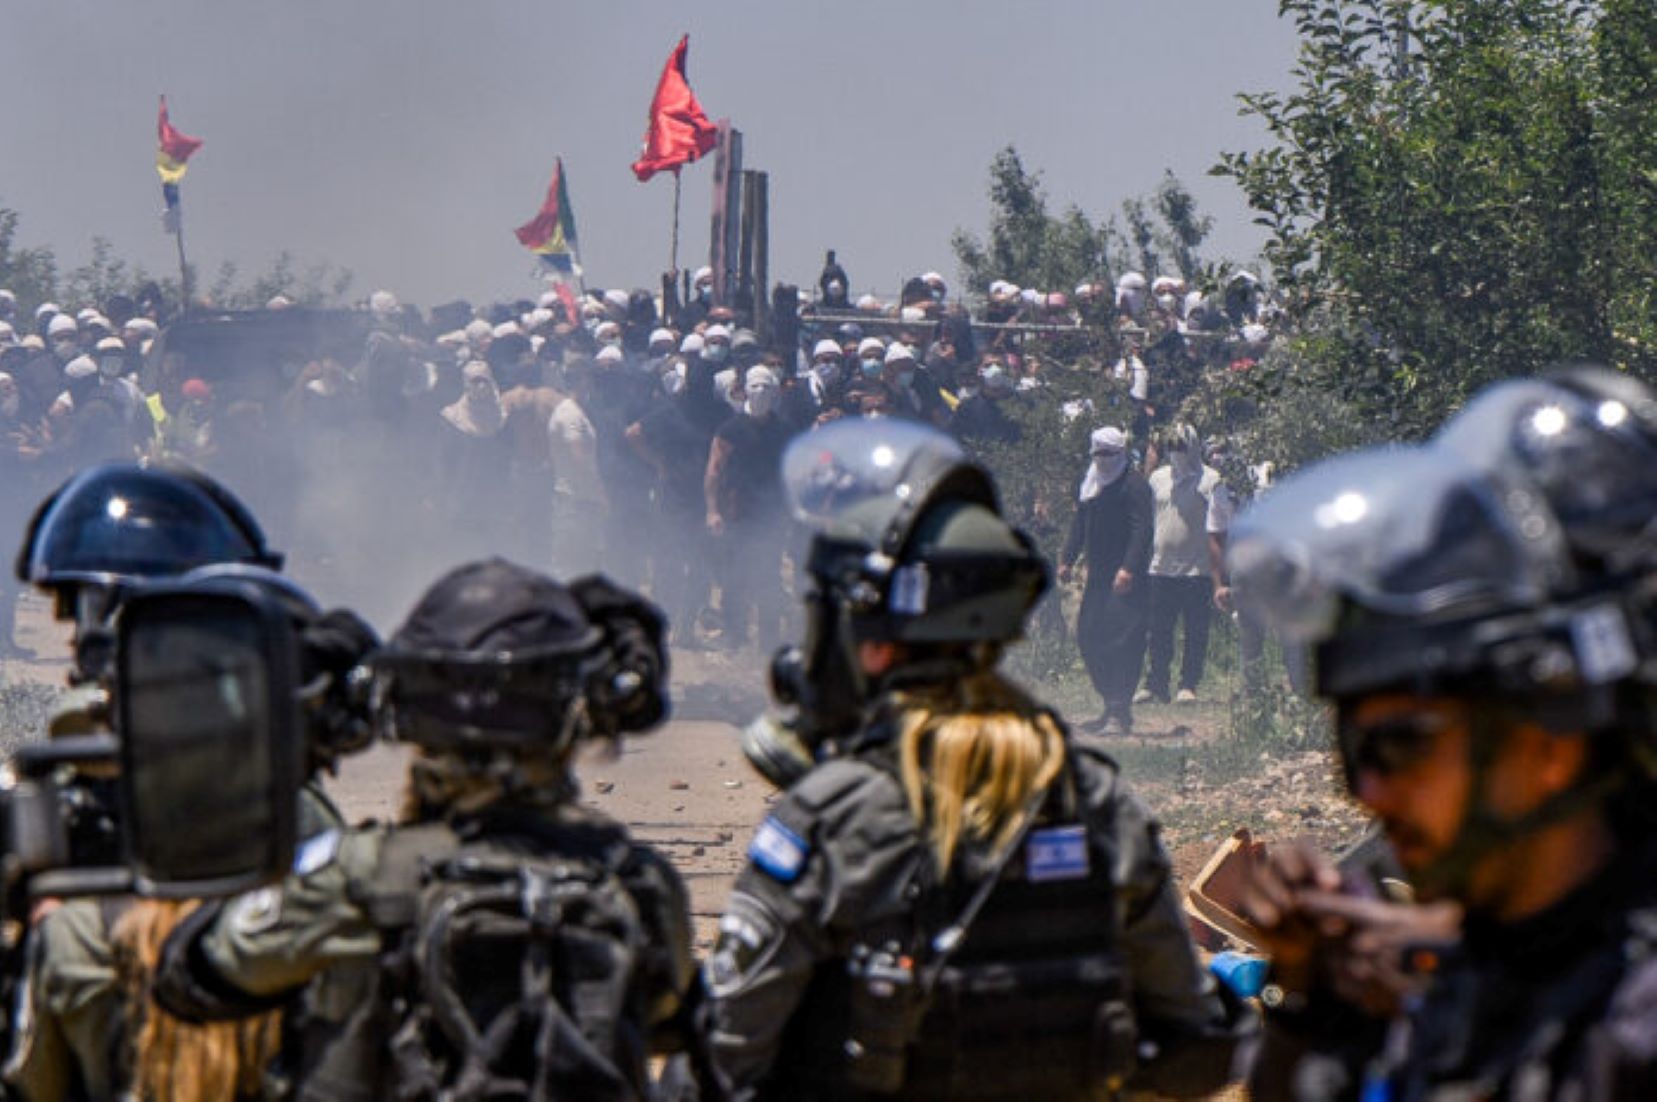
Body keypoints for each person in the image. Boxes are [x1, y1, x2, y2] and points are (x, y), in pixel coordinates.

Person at [711, 419, 1252, 1100]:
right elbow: (1191, 1042)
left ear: (874, 642)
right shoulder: (1093, 800)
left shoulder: (829, 812)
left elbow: (729, 1044)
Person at [1229, 367, 1657, 1100]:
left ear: (1549, 743)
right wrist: (1311, 1007)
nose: (1362, 789)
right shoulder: (1468, 971)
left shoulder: (1628, 1029)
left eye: (1403, 744)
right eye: (1353, 746)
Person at [156, 559, 694, 1101]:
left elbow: (194, 975)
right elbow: (669, 1015)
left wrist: (299, 739)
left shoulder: (358, 877)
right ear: (576, 710)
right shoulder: (636, 881)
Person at [1061, 426, 1154, 735]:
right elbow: (1080, 523)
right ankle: (1109, 703)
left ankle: (1119, 709)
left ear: (1120, 454)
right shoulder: (1090, 484)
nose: (1102, 461)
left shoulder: (1134, 485)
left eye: (1108, 455)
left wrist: (1128, 568)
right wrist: (1067, 558)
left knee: (1123, 640)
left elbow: (1142, 531)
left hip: (1126, 577)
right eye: (1097, 455)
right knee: (1089, 636)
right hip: (1098, 575)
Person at [1135, 422, 1229, 705]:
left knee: (1195, 631)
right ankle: (1156, 684)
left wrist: (1219, 576)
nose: (1176, 452)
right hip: (1160, 567)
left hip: (1196, 568)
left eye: (1181, 447)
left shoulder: (1211, 480)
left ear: (1193, 447)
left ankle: (1188, 684)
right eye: (1172, 447)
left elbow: (1219, 528)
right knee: (1159, 629)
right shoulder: (1159, 479)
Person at [704, 365, 793, 653]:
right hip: (736, 513)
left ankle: (768, 641)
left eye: (766, 386)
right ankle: (735, 635)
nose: (760, 392)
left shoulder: (783, 431)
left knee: (769, 577)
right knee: (734, 577)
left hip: (770, 516)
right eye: (755, 386)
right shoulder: (730, 429)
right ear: (744, 390)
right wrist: (712, 511)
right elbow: (714, 470)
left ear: (776, 392)